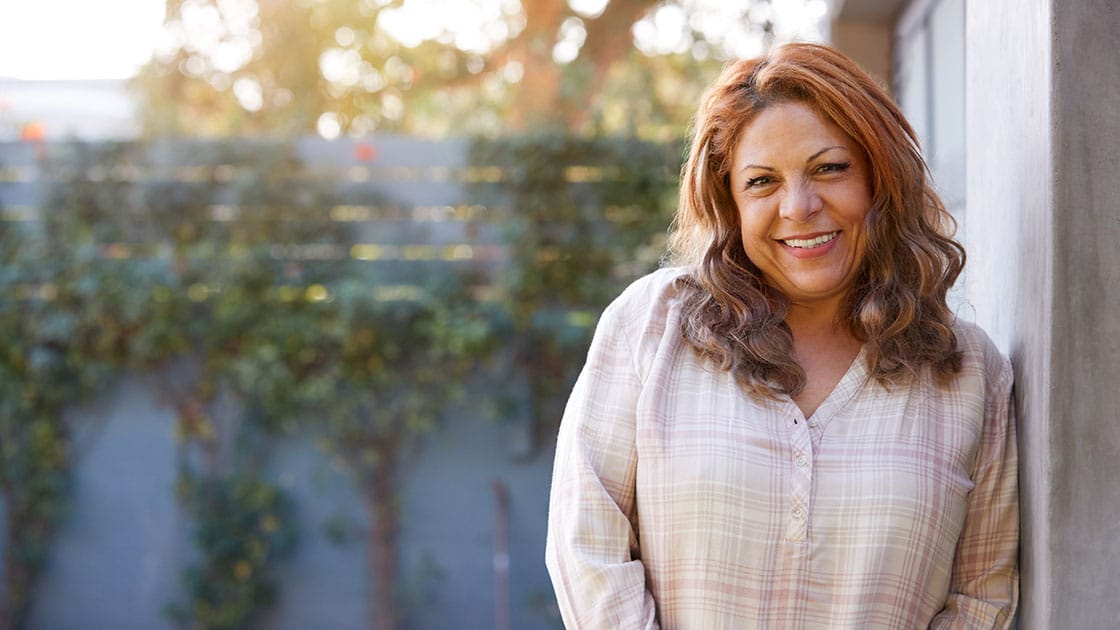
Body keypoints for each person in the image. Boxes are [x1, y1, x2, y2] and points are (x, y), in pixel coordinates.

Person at [544, 42, 1018, 629]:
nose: (799, 206)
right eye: (762, 182)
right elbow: (586, 543)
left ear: (880, 178)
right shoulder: (651, 326)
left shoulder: (972, 373)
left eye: (829, 168)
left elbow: (981, 597)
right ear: (731, 202)